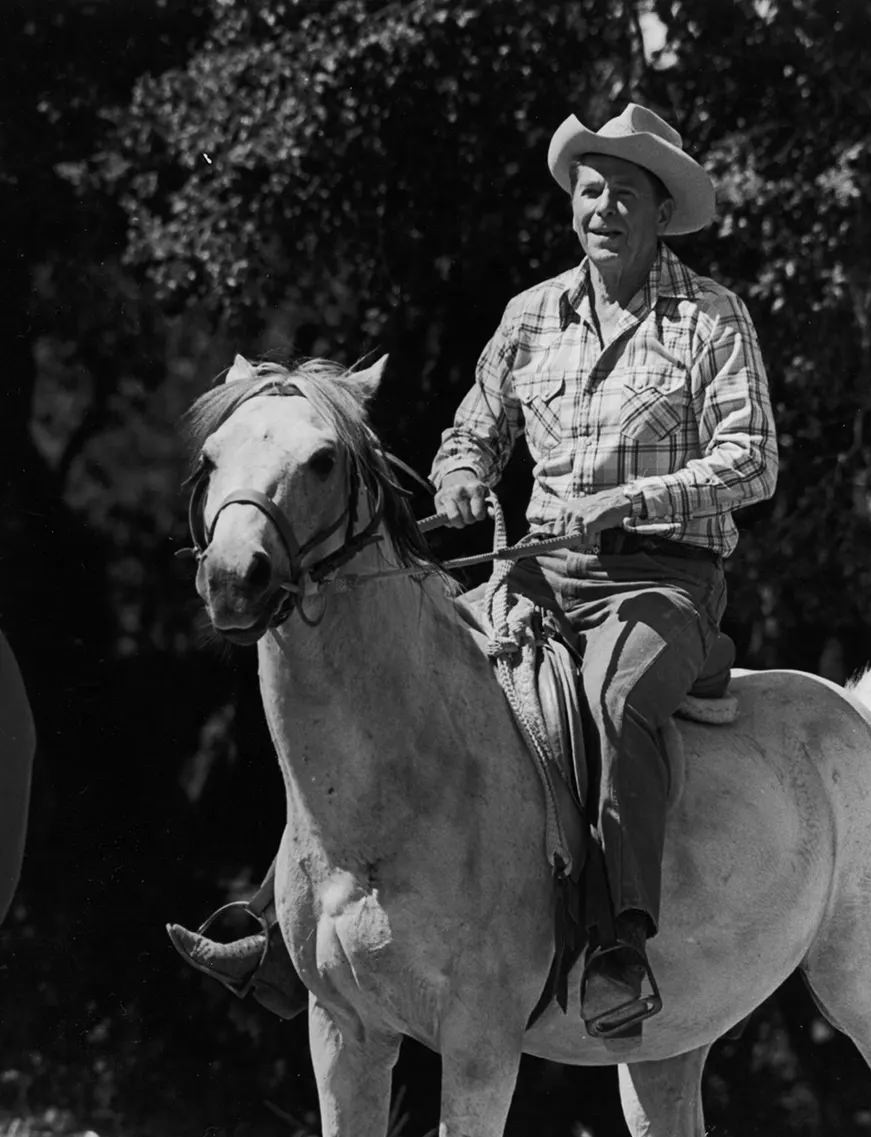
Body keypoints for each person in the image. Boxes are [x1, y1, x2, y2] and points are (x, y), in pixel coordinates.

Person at [168, 103, 778, 1036]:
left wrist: (637, 501)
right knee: (389, 682)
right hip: (535, 574)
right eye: (589, 190)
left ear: (662, 213)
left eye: (625, 193)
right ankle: (285, 924)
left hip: (661, 580)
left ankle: (617, 943)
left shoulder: (709, 320)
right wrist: (458, 478)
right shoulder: (530, 315)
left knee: (617, 701)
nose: (602, 208)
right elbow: (473, 432)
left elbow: (754, 461)